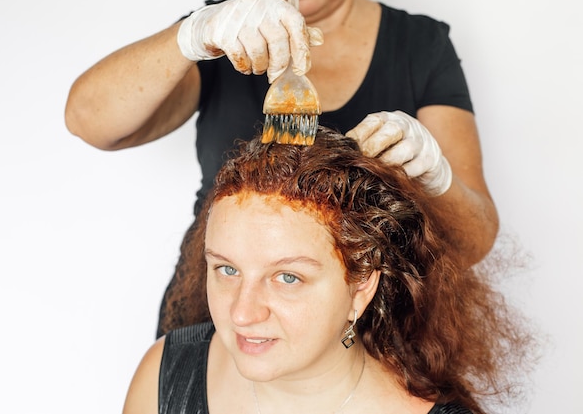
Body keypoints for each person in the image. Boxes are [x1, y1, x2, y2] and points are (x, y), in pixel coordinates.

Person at [64, 0, 499, 336]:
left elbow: (474, 241)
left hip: (375, 334)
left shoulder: (420, 46)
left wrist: (435, 180)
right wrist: (192, 34)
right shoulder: (229, 32)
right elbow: (88, 121)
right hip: (226, 311)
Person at [121, 129, 532, 414]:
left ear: (361, 286)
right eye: (227, 269)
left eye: (288, 278)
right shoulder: (166, 373)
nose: (242, 314)